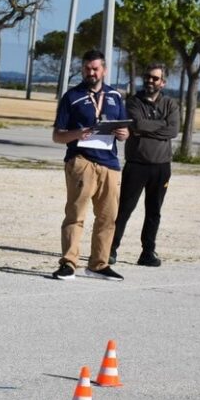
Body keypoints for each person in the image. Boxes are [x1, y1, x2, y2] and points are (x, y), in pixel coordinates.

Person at [51, 49, 130, 281]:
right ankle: (68, 263)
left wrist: (124, 134)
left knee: (108, 217)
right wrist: (78, 133)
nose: (91, 73)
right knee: (75, 214)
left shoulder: (115, 96)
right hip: (82, 161)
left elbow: (124, 130)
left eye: (95, 68)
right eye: (87, 68)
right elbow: (57, 135)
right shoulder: (72, 97)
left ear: (104, 70)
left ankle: (99, 264)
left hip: (110, 164)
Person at [110, 64, 179, 267]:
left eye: (155, 78)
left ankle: (147, 252)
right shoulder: (133, 102)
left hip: (161, 166)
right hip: (137, 164)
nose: (150, 80)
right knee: (124, 209)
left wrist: (146, 129)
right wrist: (160, 124)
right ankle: (110, 249)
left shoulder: (170, 104)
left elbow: (173, 130)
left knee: (154, 211)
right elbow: (137, 124)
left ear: (162, 82)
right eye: (148, 76)